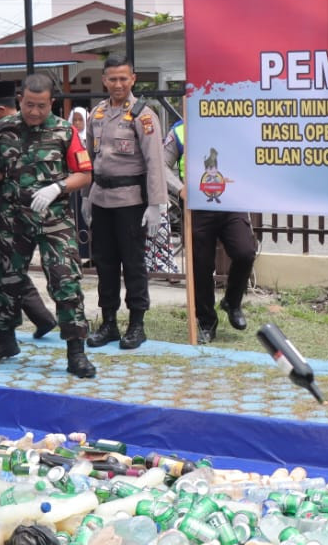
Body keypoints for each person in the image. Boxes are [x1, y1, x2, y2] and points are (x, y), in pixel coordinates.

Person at [0, 74, 97, 378]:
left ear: (52, 103)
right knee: (5, 279)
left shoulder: (65, 131)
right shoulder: (2, 128)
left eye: (42, 106)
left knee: (65, 280)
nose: (35, 111)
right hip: (14, 218)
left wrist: (58, 187)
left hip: (55, 220)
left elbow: (85, 174)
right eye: (29, 105)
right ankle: (4, 339)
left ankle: (76, 351)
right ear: (19, 99)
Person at [0, 79, 58, 363]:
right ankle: (23, 326)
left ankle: (16, 330)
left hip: (3, 211)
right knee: (6, 272)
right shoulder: (2, 128)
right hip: (1, 210)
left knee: (3, 273)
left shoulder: (8, 129)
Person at [86, 53, 166, 350]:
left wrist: (156, 204)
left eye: (124, 78)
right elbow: (89, 159)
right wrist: (86, 197)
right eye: (112, 78)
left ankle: (136, 324)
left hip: (131, 201)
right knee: (105, 264)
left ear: (133, 79)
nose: (118, 84)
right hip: (101, 199)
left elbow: (155, 162)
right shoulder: (96, 114)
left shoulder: (144, 115)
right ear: (104, 80)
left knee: (133, 264)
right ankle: (108, 322)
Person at [165, 118, 256, 342]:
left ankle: (232, 303)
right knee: (201, 267)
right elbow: (161, 164)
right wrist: (179, 189)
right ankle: (206, 321)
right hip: (198, 207)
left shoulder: (236, 124)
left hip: (232, 203)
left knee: (245, 252)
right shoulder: (180, 129)